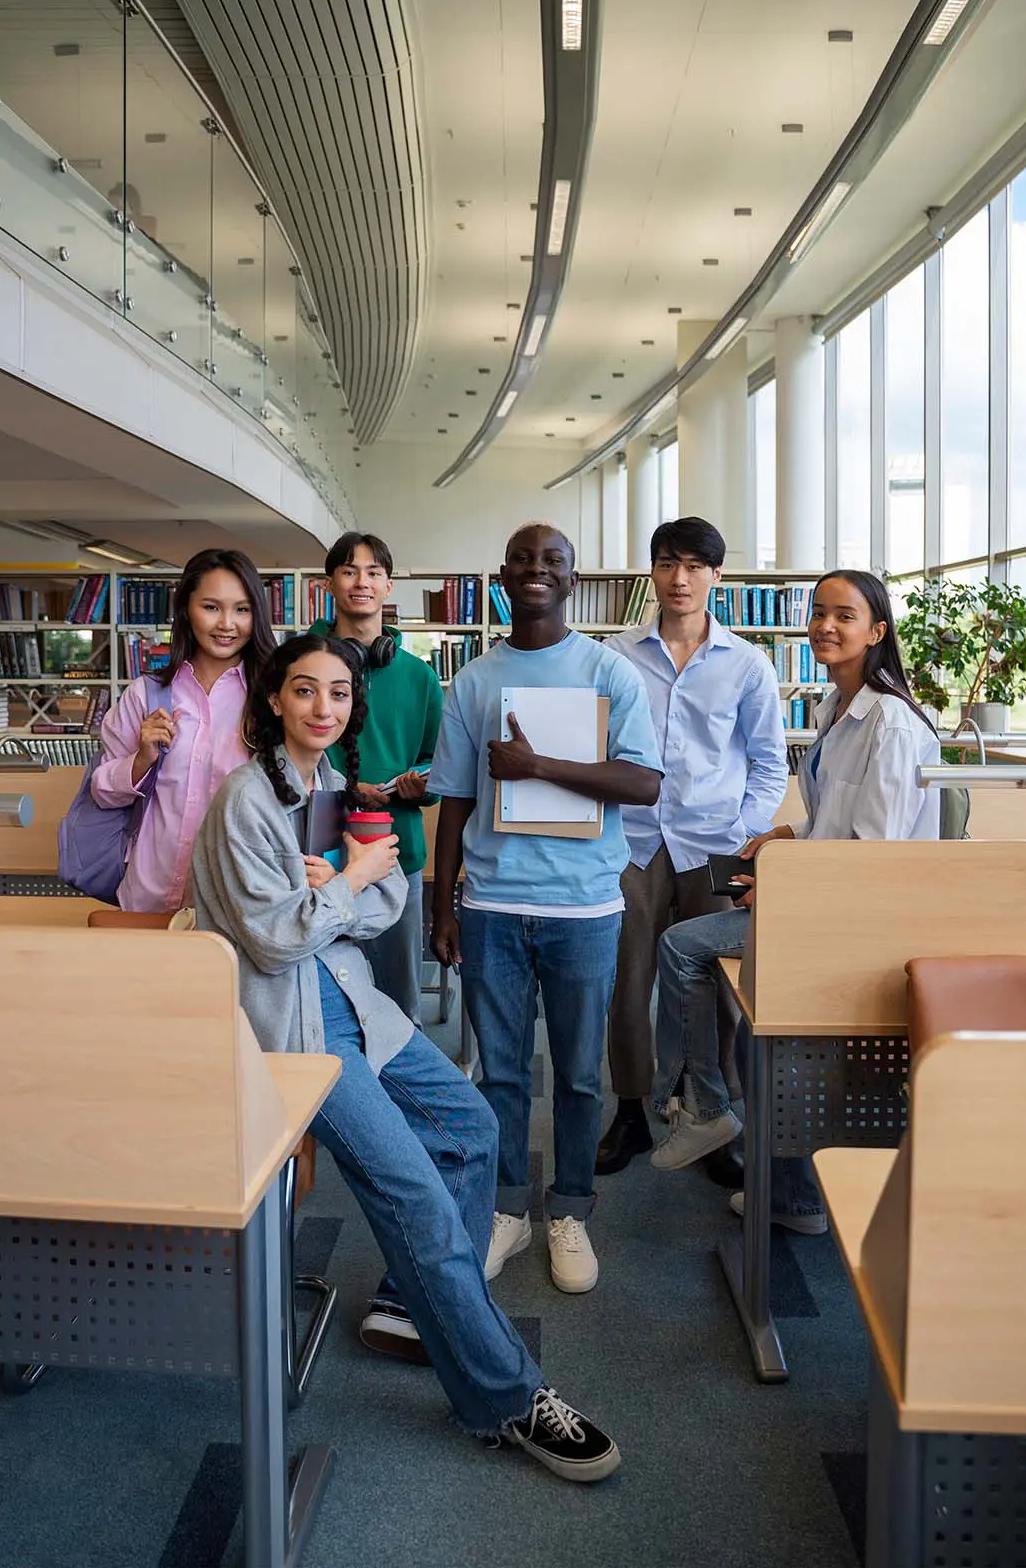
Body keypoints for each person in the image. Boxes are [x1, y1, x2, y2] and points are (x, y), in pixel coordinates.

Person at [192, 632, 621, 1483]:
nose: (324, 707)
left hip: (352, 1001)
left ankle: (418, 1306)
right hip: (292, 1029)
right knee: (416, 1193)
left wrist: (340, 888)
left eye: (341, 695)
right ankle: (505, 1394)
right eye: (307, 691)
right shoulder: (247, 799)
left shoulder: (336, 789)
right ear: (275, 699)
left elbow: (385, 902)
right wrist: (342, 887)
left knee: (469, 1127)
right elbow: (279, 945)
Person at [650, 570, 941, 1231]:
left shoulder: (888, 723)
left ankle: (706, 1109)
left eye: (844, 615)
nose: (825, 626)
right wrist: (788, 834)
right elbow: (837, 820)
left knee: (685, 947)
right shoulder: (833, 708)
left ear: (878, 631)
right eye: (818, 613)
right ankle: (792, 1194)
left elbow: (873, 852)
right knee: (764, 1026)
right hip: (824, 902)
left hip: (853, 923)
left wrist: (783, 883)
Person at [429, 524, 662, 1295]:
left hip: (585, 908)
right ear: (503, 576)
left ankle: (569, 1211)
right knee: (498, 1072)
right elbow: (455, 803)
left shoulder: (610, 672)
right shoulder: (472, 681)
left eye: (551, 561)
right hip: (492, 903)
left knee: (578, 1075)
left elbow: (643, 785)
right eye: (524, 559)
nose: (537, 570)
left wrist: (537, 767)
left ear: (571, 578)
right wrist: (444, 905)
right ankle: (506, 1210)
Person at [596, 517, 787, 1177]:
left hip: (721, 848)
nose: (680, 578)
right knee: (628, 983)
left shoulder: (748, 664)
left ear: (717, 576)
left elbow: (769, 765)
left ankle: (708, 1113)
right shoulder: (614, 657)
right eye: (668, 563)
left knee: (722, 988)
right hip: (633, 842)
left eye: (694, 566)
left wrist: (747, 835)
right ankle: (629, 1111)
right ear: (651, 571)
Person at [90, 547, 275, 911]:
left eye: (242, 609)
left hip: (236, 903)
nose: (227, 624)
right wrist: (142, 759)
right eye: (211, 607)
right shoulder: (147, 694)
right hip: (147, 894)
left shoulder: (273, 700)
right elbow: (102, 793)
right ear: (186, 611)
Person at [308, 532, 442, 1028]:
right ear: (328, 584)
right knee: (319, 1001)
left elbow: (437, 764)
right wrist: (344, 786)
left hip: (393, 855)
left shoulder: (419, 677)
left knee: (399, 1004)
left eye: (372, 573)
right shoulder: (305, 664)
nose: (360, 582)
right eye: (348, 571)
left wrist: (420, 786)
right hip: (316, 855)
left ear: (388, 586)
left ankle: (400, 1104)